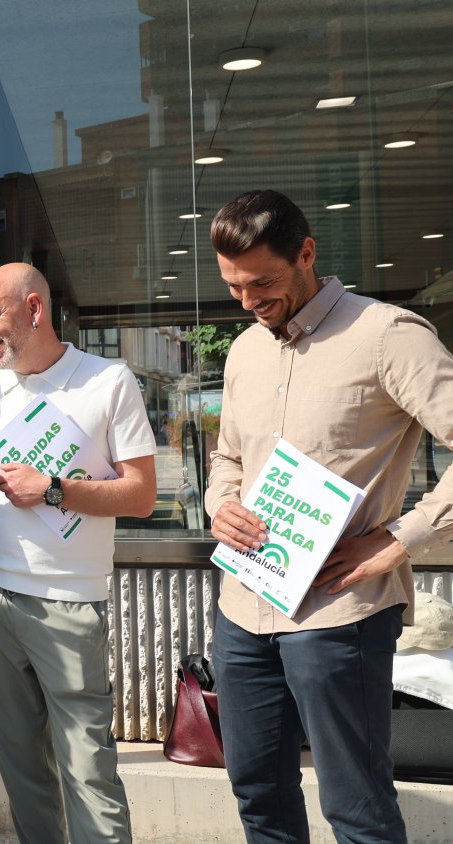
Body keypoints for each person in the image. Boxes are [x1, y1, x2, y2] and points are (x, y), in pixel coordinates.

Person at [206, 189, 453, 843]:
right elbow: (228, 455)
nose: (249, 300)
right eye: (234, 287)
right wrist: (221, 505)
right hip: (243, 607)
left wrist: (404, 538)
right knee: (257, 793)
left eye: (262, 282)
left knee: (356, 807)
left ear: (307, 253)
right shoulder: (243, 352)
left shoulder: (386, 336)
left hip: (339, 616)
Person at [0, 262, 155, 844]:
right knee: (20, 765)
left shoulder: (109, 382)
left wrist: (56, 488)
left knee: (88, 766)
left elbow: (141, 495)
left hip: (70, 602)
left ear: (34, 309)